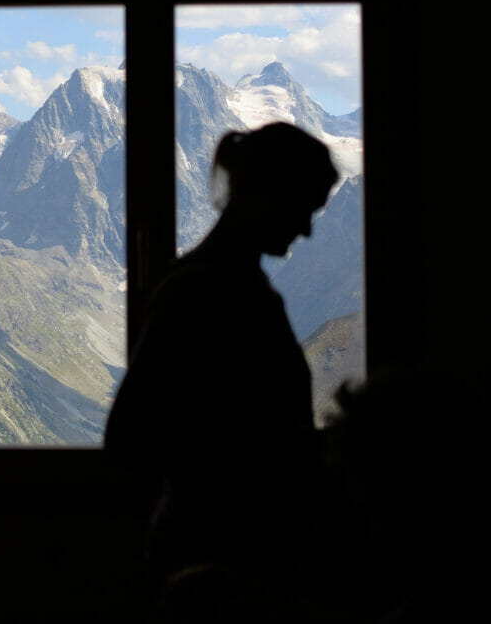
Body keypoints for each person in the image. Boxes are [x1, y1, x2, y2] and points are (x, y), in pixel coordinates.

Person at [105, 122, 340, 619]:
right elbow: (131, 438)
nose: (307, 229)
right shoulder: (210, 293)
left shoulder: (212, 285)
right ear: (268, 195)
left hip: (209, 552)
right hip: (219, 560)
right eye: (305, 207)